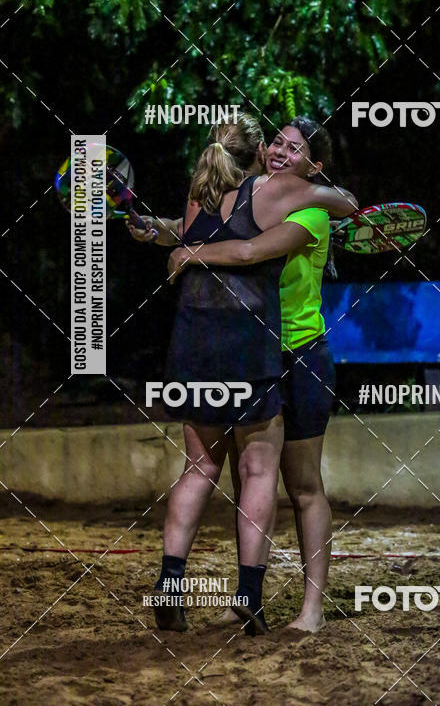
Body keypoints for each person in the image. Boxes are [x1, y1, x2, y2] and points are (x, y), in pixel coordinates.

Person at [129, 113, 356, 635]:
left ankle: (310, 609)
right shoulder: (265, 196)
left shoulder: (307, 209)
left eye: (294, 149)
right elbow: (232, 231)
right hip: (250, 351)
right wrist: (165, 234)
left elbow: (247, 247)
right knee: (248, 478)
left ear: (312, 166)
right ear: (259, 149)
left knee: (302, 487)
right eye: (277, 141)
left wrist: (187, 250)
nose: (280, 151)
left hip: (296, 357)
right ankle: (245, 598)